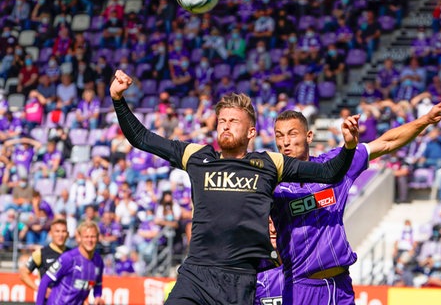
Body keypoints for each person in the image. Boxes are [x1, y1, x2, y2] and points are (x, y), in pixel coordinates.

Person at [109, 69, 358, 305]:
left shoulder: (270, 163)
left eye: (233, 121)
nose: (225, 126)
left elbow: (329, 172)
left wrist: (348, 146)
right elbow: (141, 138)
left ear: (251, 132)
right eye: (222, 121)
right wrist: (118, 99)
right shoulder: (197, 157)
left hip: (241, 281)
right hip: (196, 275)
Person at [271, 98, 441, 304]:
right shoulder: (272, 184)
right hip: (300, 287)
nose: (285, 142)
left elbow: (387, 142)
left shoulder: (336, 165)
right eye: (279, 136)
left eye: (292, 134)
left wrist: (425, 120)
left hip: (341, 286)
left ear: (309, 136)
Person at [36, 221, 104, 305]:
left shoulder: (98, 261)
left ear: (97, 238)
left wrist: (97, 296)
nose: (89, 240)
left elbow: (98, 284)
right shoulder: (68, 258)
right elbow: (45, 280)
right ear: (79, 238)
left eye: (93, 237)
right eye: (86, 237)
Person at [19, 219, 68, 295]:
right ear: (50, 233)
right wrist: (39, 290)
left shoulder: (73, 253)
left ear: (67, 234)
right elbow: (23, 274)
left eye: (63, 231)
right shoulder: (41, 253)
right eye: (57, 231)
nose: (60, 235)